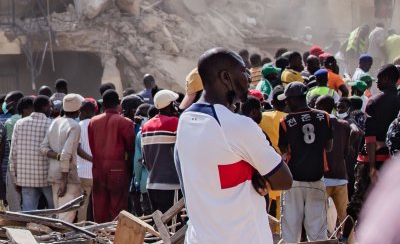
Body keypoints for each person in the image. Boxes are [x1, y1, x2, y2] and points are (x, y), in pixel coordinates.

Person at [176, 48, 292, 244]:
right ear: (225, 77)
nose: (248, 78)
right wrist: (258, 173)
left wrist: (252, 172)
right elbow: (284, 180)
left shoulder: (185, 121)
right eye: (243, 71)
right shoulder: (237, 126)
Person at [277, 82, 333, 242]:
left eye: (287, 100)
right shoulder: (325, 117)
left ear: (294, 100)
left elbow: (284, 150)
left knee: (290, 230)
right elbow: (328, 147)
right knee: (317, 232)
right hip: (316, 179)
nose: (286, 104)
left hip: (293, 181)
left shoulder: (285, 121)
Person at [354, 63, 400, 219]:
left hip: (372, 161)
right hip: (394, 163)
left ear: (387, 79)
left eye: (379, 79)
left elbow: (370, 137)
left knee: (360, 204)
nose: (376, 83)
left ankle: (348, 239)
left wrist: (372, 167)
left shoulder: (374, 101)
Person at [87, 88, 134, 223]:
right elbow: (130, 147)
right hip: (118, 170)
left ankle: (100, 238)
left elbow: (92, 145)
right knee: (117, 209)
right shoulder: (125, 122)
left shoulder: (93, 121)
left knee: (100, 208)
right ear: (118, 103)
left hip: (98, 169)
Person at [311, 94, 352, 239]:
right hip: (341, 178)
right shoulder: (344, 125)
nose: (314, 109)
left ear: (321, 108)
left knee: (318, 220)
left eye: (316, 106)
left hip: (322, 179)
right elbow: (346, 152)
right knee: (345, 218)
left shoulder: (316, 125)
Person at [42, 93, 83, 221]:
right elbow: (66, 154)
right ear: (77, 110)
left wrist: (57, 156)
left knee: (59, 215)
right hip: (67, 176)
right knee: (66, 218)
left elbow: (43, 148)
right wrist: (64, 180)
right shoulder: (74, 126)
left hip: (54, 174)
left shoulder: (55, 122)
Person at [140, 90, 181, 214]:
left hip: (152, 184)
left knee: (159, 225)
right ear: (169, 105)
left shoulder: (146, 126)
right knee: (173, 227)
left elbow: (144, 159)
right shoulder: (174, 123)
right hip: (171, 184)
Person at [11, 95, 53, 211]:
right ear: (44, 108)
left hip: (26, 177)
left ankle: (29, 229)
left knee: (29, 213)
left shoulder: (19, 124)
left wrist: (15, 178)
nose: (51, 109)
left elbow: (13, 153)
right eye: (50, 107)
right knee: (54, 211)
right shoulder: (51, 124)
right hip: (47, 177)